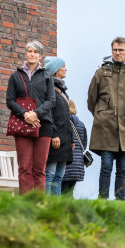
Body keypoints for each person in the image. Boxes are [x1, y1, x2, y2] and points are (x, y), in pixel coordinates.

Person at [87, 37, 125, 200]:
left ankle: (120, 200)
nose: (117, 53)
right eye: (115, 50)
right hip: (106, 128)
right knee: (106, 166)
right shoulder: (101, 73)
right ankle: (102, 199)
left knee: (123, 168)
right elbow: (91, 100)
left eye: (121, 50)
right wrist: (102, 115)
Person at [6, 40, 56, 194]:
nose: (32, 54)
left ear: (40, 55)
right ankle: (25, 205)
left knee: (39, 169)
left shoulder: (47, 76)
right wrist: (25, 114)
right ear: (25, 53)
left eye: (35, 52)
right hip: (23, 124)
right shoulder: (15, 76)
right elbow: (9, 100)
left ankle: (39, 205)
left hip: (44, 124)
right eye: (29, 51)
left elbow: (51, 100)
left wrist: (36, 113)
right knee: (24, 167)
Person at [44, 57, 73, 196]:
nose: (65, 69)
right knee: (50, 174)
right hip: (55, 139)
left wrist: (71, 139)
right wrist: (54, 134)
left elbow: (67, 118)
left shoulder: (62, 90)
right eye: (63, 66)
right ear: (55, 70)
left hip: (64, 140)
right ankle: (47, 203)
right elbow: (49, 114)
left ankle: (56, 205)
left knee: (59, 176)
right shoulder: (49, 90)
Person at [62, 100, 87, 195]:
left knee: (63, 191)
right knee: (70, 192)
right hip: (78, 164)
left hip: (67, 162)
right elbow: (84, 145)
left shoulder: (63, 123)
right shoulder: (81, 124)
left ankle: (64, 209)